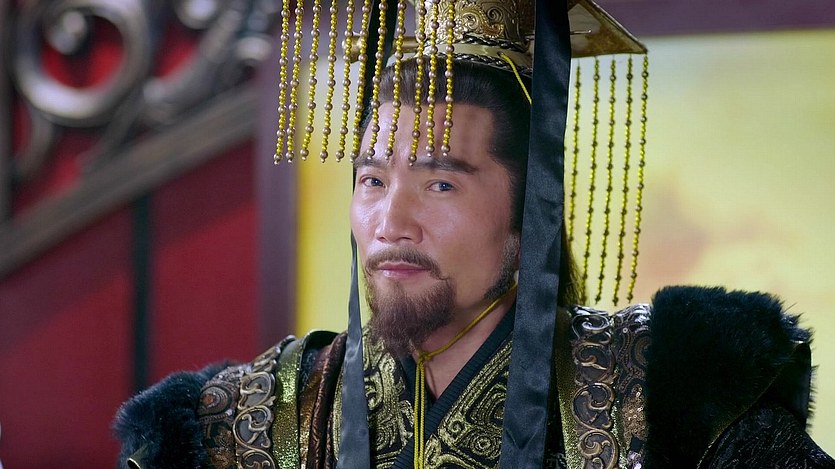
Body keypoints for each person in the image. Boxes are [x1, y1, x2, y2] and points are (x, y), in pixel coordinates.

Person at [114, 1, 834, 468]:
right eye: (371, 180)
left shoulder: (667, 396)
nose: (389, 223)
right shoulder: (251, 422)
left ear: (530, 214)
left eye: (440, 183)